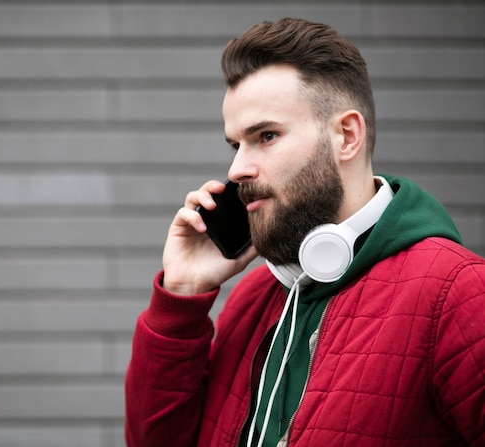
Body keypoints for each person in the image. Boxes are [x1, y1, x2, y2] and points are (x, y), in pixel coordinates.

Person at [124, 17, 485, 447]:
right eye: (235, 144)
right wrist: (182, 296)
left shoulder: (457, 292)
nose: (237, 169)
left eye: (266, 136)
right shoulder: (252, 298)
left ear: (346, 136)